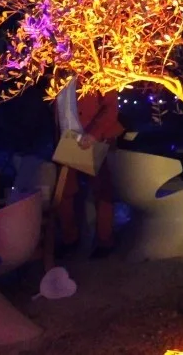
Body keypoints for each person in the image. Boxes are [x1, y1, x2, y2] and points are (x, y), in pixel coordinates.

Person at [54, 90, 123, 258]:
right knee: (64, 192)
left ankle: (105, 240)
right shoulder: (56, 77)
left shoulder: (98, 75)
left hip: (94, 139)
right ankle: (70, 238)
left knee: (102, 190)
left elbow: (111, 107)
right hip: (67, 139)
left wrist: (94, 133)